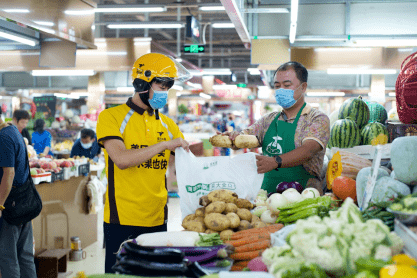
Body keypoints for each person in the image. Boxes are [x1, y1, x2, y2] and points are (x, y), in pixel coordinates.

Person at [96, 53, 192, 273]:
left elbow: (184, 167)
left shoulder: (168, 125)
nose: (165, 92)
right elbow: (121, 159)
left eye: (169, 86)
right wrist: (163, 146)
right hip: (122, 219)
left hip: (158, 218)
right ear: (141, 82)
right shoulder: (111, 117)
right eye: (161, 84)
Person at [224, 61, 330, 195]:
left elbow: (307, 150)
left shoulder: (316, 119)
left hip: (304, 197)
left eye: (286, 85)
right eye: (277, 86)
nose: (280, 90)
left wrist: (276, 161)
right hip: (266, 198)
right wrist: (233, 138)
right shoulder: (268, 120)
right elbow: (244, 139)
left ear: (303, 87)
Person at [0, 108, 37, 278]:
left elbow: (9, 174)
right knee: (25, 255)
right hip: (23, 201)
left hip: (10, 205)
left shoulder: (3, 138)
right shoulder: (12, 131)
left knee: (8, 257)